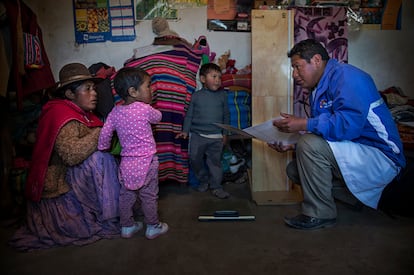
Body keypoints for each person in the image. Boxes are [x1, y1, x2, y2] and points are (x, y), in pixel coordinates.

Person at [269, 39, 406, 230]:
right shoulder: (319, 87)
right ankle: (356, 195)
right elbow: (327, 135)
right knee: (295, 169)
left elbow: (348, 126)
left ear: (316, 60)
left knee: (307, 145)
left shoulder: (348, 77)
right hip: (357, 150)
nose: (294, 74)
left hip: (382, 156)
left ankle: (320, 214)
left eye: (297, 67)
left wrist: (304, 123)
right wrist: (292, 144)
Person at [9, 63, 121, 251]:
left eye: (94, 88)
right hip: (60, 186)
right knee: (101, 159)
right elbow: (71, 155)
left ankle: (113, 211)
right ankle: (109, 218)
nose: (94, 93)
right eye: (88, 89)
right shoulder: (60, 114)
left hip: (72, 179)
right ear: (70, 94)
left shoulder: (81, 113)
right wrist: (101, 132)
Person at [98, 67, 168, 239]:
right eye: (148, 86)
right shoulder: (144, 109)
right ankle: (153, 226)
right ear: (133, 92)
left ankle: (127, 226)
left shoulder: (115, 112)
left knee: (126, 196)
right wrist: (152, 108)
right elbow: (158, 117)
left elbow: (105, 133)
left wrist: (103, 147)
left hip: (127, 163)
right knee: (148, 196)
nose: (152, 90)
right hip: (147, 161)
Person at [176, 63, 230, 199]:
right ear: (203, 79)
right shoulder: (196, 96)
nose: (218, 80)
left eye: (219, 77)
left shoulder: (223, 95)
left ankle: (216, 186)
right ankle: (203, 179)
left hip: (216, 136)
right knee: (194, 158)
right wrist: (185, 131)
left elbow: (226, 115)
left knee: (215, 163)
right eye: (214, 76)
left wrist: (225, 134)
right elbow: (189, 114)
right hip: (197, 135)